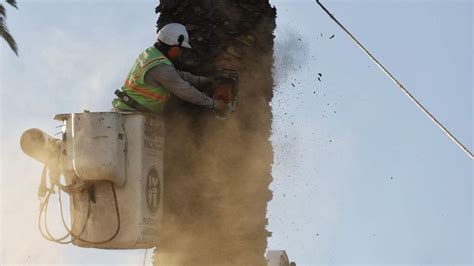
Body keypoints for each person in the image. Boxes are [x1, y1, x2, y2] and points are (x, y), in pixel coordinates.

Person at [112, 23, 228, 113]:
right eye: (180, 49)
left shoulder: (151, 54)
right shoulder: (161, 67)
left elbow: (177, 75)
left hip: (132, 110)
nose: (180, 53)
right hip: (133, 113)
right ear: (174, 48)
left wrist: (203, 80)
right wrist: (213, 104)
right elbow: (185, 90)